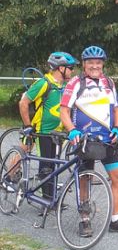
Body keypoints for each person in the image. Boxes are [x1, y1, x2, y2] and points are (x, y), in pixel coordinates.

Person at [60, 45, 118, 237]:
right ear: (84, 64)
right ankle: (84, 220)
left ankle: (116, 219)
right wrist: (71, 130)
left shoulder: (109, 83)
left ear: (102, 64)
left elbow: (116, 109)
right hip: (85, 139)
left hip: (108, 139)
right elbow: (64, 111)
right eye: (91, 63)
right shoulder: (75, 83)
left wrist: (117, 127)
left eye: (98, 62)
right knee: (85, 178)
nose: (95, 66)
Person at [19, 52, 79, 202]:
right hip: (43, 132)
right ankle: (45, 199)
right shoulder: (44, 83)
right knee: (45, 166)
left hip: (59, 133)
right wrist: (27, 125)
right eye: (70, 68)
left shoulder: (65, 86)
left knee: (54, 166)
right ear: (61, 68)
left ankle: (50, 197)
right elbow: (23, 103)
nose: (72, 71)